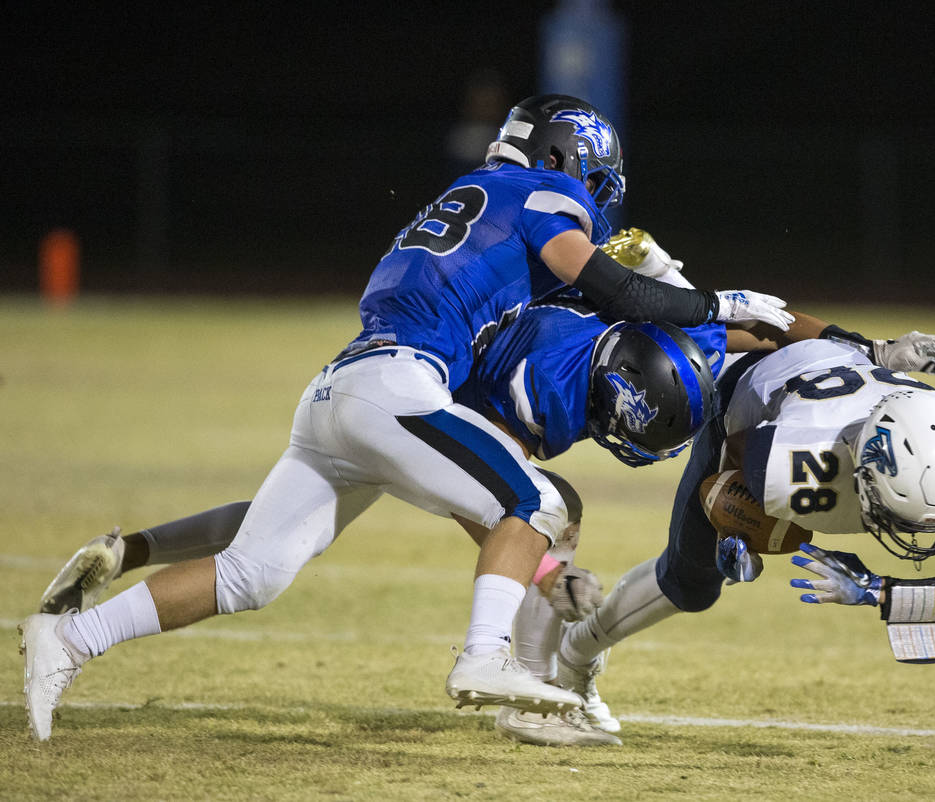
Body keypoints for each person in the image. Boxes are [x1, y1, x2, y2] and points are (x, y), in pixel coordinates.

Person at [21, 91, 803, 740]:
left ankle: (66, 638)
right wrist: (717, 302)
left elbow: (593, 304)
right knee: (540, 500)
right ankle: (483, 658)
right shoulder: (542, 197)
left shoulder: (473, 204)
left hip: (339, 392)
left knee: (251, 573)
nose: (592, 203)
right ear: (566, 161)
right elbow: (620, 294)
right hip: (399, 385)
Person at [31, 232, 935, 747]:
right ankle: (515, 683)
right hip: (415, 392)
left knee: (267, 560)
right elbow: (498, 510)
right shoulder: (533, 373)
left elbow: (769, 316)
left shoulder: (677, 330)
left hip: (364, 389)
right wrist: (549, 571)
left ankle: (120, 569)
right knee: (549, 509)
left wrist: (873, 349)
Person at [554, 337, 935, 739]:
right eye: (902, 516)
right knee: (691, 585)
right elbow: (737, 448)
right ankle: (577, 653)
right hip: (751, 401)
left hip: (840, 384)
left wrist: (878, 592)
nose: (917, 535)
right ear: (861, 474)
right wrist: (741, 530)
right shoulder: (798, 464)